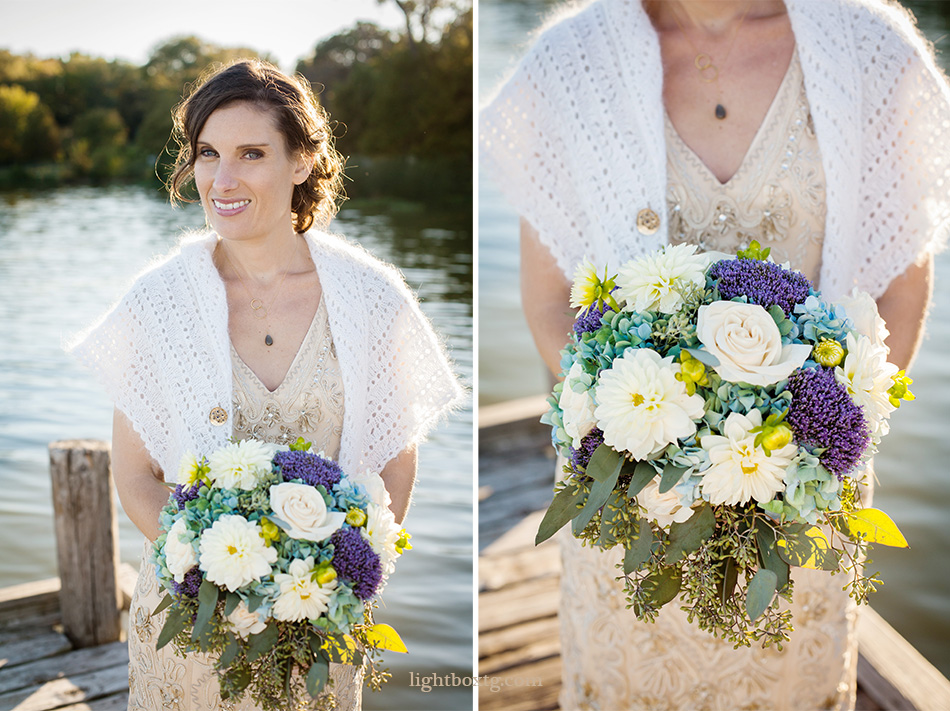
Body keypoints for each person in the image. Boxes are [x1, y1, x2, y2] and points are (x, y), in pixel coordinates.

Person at [481, 0, 949, 708]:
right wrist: (638, 441)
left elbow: (901, 289)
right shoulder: (568, 65)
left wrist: (814, 451)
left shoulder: (874, 52)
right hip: (626, 494)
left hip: (802, 495)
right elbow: (552, 301)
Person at [70, 59, 462, 710]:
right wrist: (211, 576)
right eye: (207, 153)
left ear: (303, 161)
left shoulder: (373, 299)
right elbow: (136, 473)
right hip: (187, 621)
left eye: (252, 153)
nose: (223, 180)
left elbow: (395, 459)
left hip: (320, 621)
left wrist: (335, 578)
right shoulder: (155, 303)